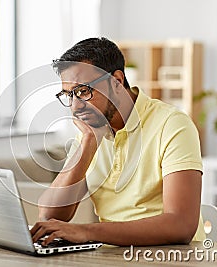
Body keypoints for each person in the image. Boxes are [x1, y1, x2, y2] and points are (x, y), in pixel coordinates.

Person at [30, 37, 205, 246]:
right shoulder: (91, 130)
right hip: (114, 256)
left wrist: (86, 232)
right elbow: (49, 214)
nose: (75, 107)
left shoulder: (173, 125)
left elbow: (181, 225)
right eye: (69, 95)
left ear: (117, 81)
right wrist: (87, 145)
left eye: (83, 91)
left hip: (170, 257)